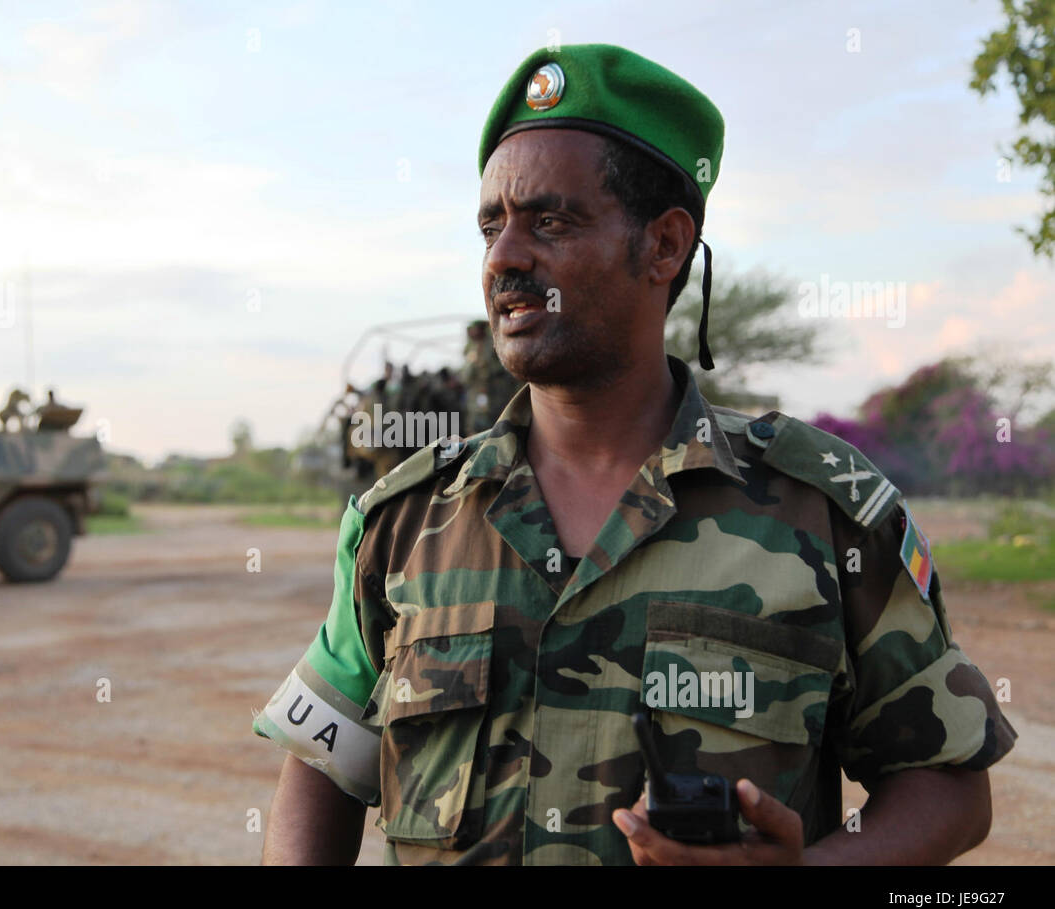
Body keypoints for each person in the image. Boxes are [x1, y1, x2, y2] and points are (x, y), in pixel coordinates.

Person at [253, 44, 1015, 865]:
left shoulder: (825, 512)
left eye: (550, 221)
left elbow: (946, 787)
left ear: (663, 247)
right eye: (491, 226)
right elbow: (323, 768)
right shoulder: (401, 520)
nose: (505, 257)